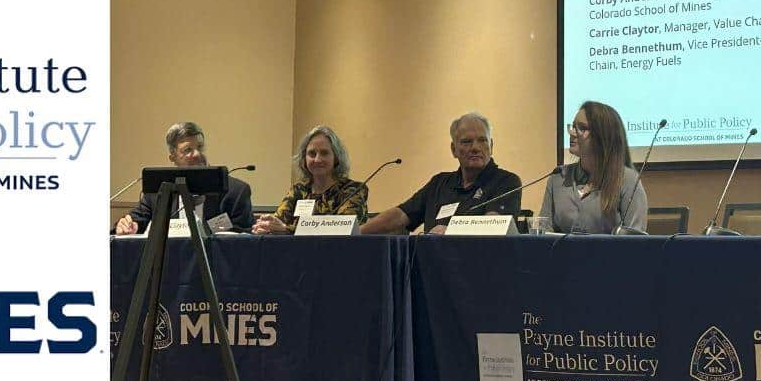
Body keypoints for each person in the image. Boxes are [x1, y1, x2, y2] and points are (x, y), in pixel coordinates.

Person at [361, 113, 521, 234]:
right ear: (454, 150)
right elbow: (401, 214)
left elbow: (493, 226)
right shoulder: (439, 183)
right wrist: (358, 232)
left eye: (482, 140)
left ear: (491, 146)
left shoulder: (506, 182)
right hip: (433, 268)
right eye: (466, 142)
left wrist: (450, 231)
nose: (475, 147)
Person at [114, 121, 253, 234]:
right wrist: (127, 225)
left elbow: (245, 239)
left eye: (200, 147)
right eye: (188, 150)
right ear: (173, 157)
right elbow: (135, 221)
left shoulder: (236, 191)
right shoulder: (158, 193)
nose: (197, 154)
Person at [540, 101, 647, 233]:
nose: (572, 133)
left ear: (603, 136)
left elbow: (636, 242)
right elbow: (543, 232)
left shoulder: (628, 181)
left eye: (582, 128)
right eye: (573, 126)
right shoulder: (558, 178)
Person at [253, 126, 367, 234]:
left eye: (324, 153)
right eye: (312, 154)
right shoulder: (299, 189)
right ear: (304, 159)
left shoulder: (353, 190)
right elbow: (278, 221)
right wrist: (267, 225)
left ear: (336, 158)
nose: (317, 159)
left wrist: (286, 229)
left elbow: (342, 229)